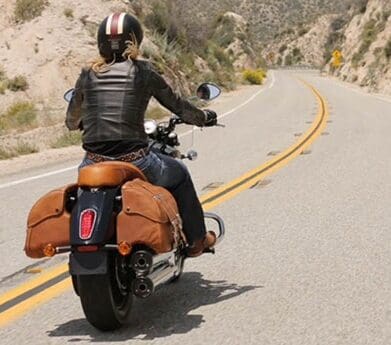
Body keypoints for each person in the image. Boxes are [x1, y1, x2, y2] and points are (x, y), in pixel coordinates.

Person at [66, 13, 218, 257]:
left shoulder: (87, 74)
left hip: (92, 162)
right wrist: (204, 117)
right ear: (135, 39)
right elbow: (178, 106)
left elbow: (71, 121)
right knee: (179, 173)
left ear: (100, 41)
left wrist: (82, 122)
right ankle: (197, 241)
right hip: (136, 160)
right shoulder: (143, 72)